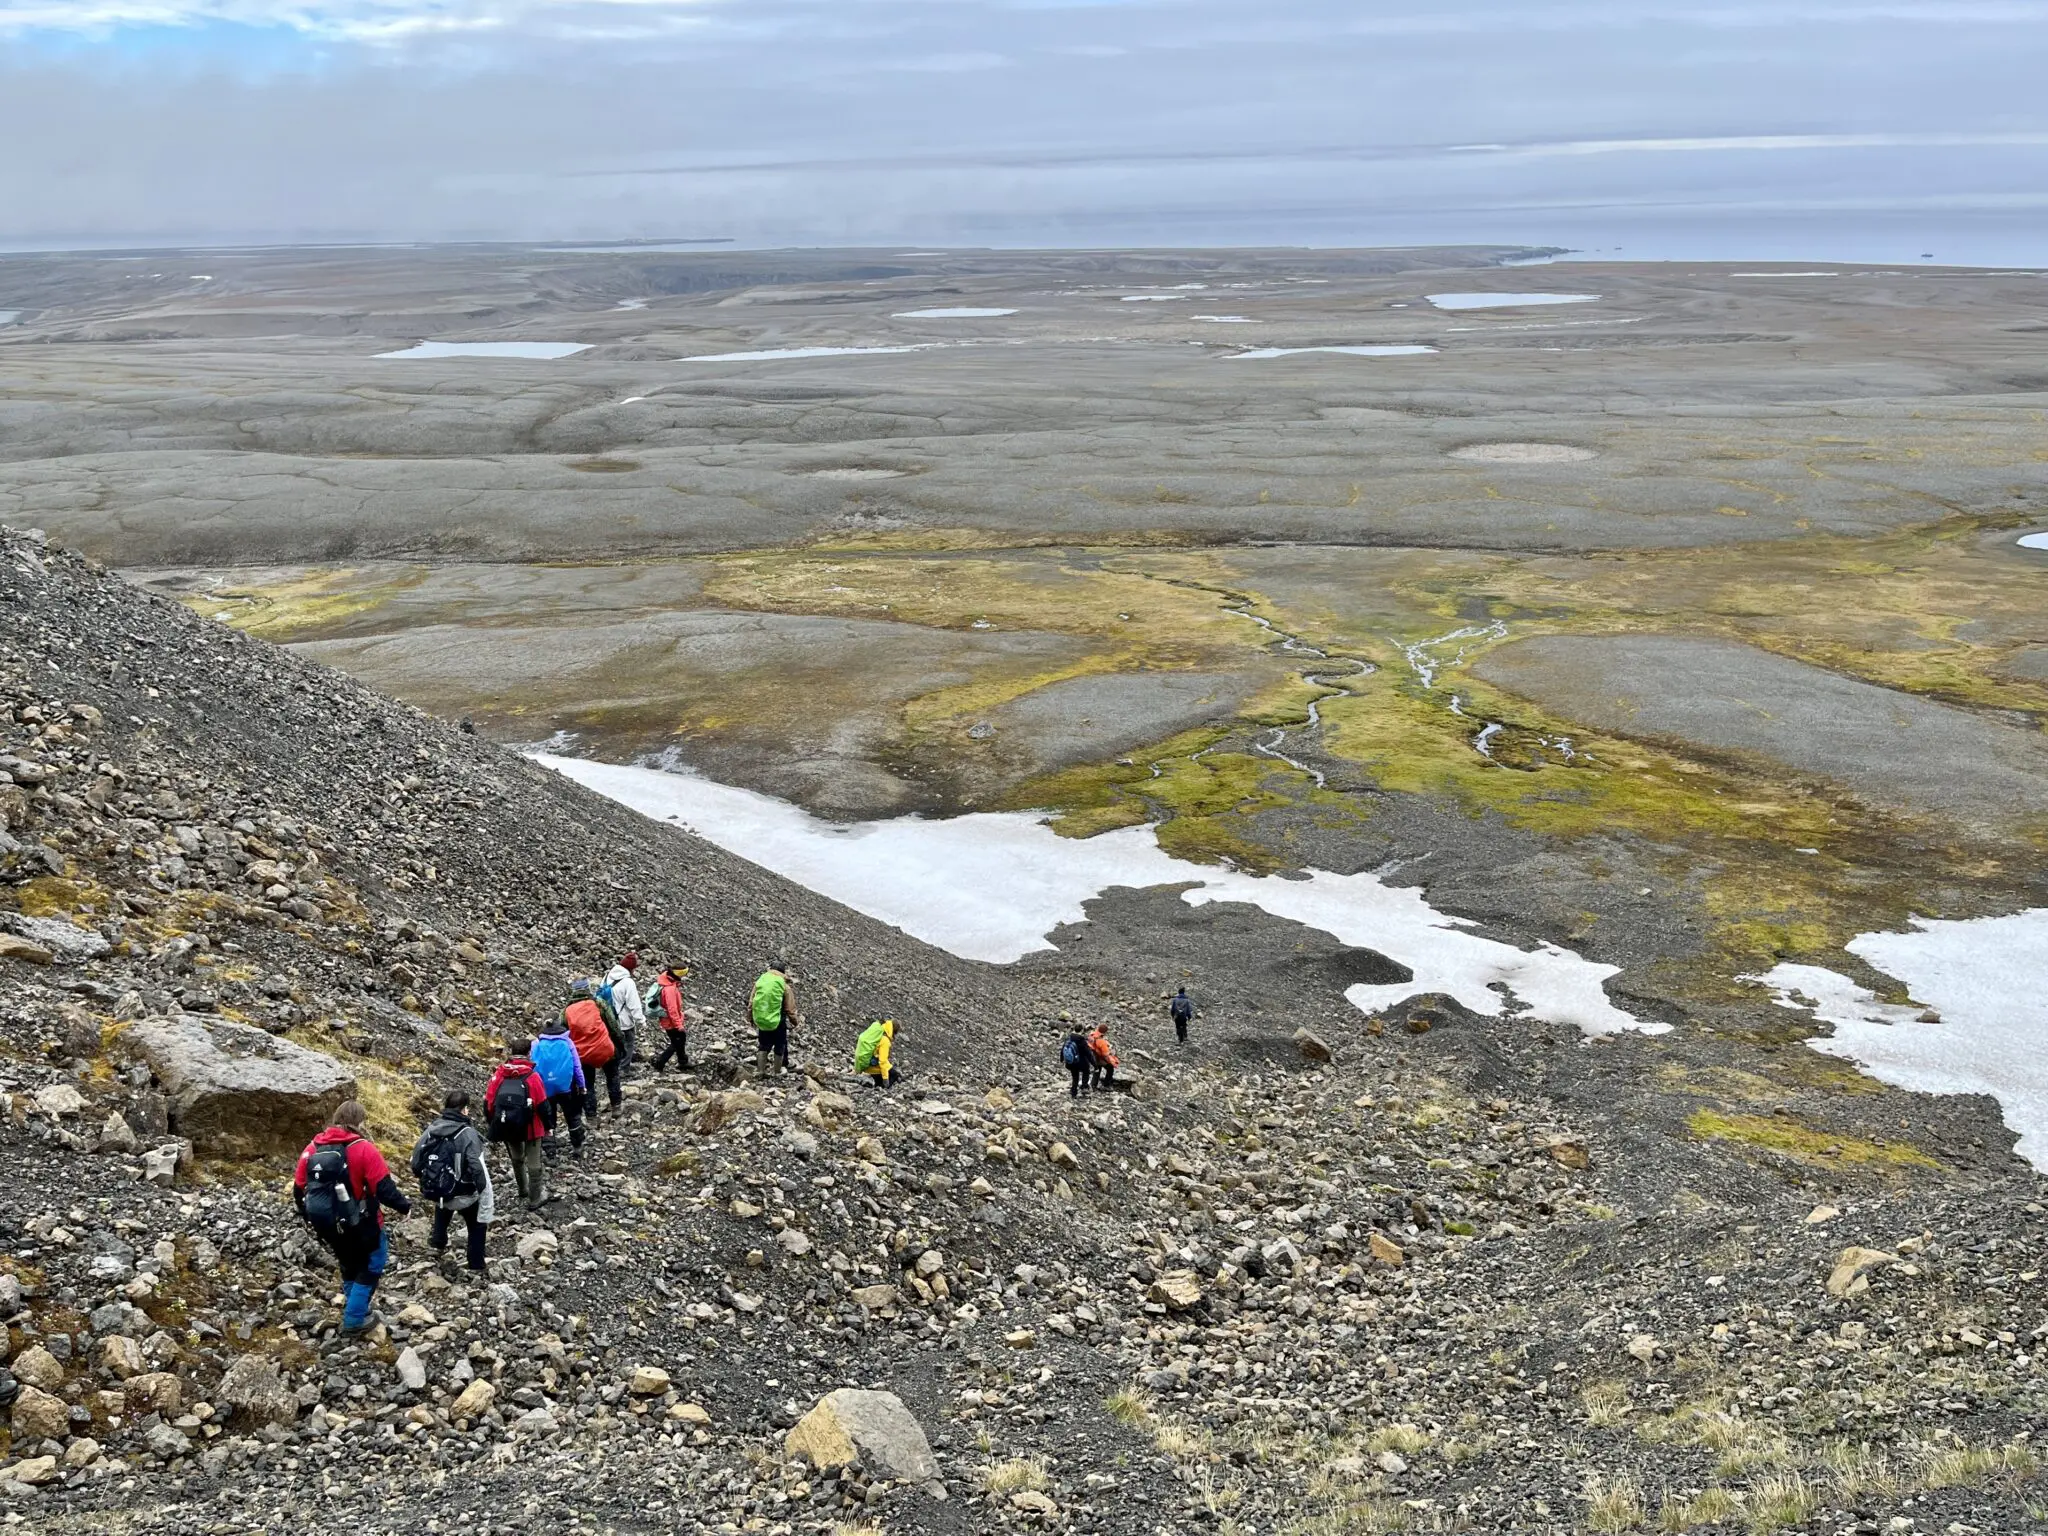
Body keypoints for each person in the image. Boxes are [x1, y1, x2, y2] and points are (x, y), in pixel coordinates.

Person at [293, 1100, 412, 1335]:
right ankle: (355, 1319)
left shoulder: (312, 1148)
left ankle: (356, 1307)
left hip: (326, 1221)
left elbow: (299, 1187)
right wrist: (405, 1207)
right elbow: (384, 1188)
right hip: (361, 1221)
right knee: (373, 1262)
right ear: (360, 1122)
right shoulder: (363, 1148)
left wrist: (307, 1215)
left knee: (348, 1262)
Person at [410, 1090, 493, 1273]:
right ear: (464, 1110)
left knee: (443, 1200)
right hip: (464, 1193)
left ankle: (437, 1243)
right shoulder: (468, 1133)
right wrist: (482, 1190)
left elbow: (415, 1161)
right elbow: (476, 1167)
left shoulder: (431, 1129)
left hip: (438, 1191)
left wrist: (426, 1178)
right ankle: (476, 1264)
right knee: (477, 1224)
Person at [485, 1041, 551, 1208]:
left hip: (508, 1123)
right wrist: (549, 1126)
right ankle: (535, 1197)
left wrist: (494, 1122)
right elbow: (543, 1105)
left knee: (516, 1157)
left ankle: (522, 1189)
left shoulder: (499, 1075)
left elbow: (489, 1102)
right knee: (534, 1162)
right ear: (529, 1053)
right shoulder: (533, 1077)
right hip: (531, 1126)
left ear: (511, 1052)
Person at [561, 979, 623, 1120]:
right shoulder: (599, 1004)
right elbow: (613, 1026)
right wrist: (620, 1044)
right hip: (604, 1048)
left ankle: (591, 1117)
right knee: (612, 1075)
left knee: (587, 1083)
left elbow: (564, 1033)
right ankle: (616, 1107)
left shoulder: (566, 1012)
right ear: (588, 989)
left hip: (583, 1054)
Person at [530, 1014, 588, 1153]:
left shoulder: (536, 1043)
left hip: (545, 1088)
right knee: (572, 1114)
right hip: (566, 1086)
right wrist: (581, 1085)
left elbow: (531, 1067)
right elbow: (576, 1067)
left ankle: (550, 1152)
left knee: (548, 1118)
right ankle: (577, 1145)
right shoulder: (567, 1041)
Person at [750, 961, 798, 1078]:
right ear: (783, 972)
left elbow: (751, 1002)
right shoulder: (784, 985)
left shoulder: (761, 982)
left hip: (762, 1019)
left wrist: (750, 1017)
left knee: (763, 1044)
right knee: (780, 1044)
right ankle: (777, 1072)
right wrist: (794, 1021)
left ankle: (760, 1071)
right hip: (778, 1021)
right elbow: (790, 1008)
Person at [604, 951, 648, 1072]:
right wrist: (641, 1020)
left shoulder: (608, 976)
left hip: (608, 1018)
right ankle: (624, 1069)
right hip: (623, 1021)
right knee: (628, 1044)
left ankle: (610, 1067)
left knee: (612, 1043)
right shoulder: (628, 982)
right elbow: (634, 1005)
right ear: (631, 968)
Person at [648, 962, 691, 1073]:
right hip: (670, 1021)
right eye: (683, 974)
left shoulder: (668, 982)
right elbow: (672, 1009)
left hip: (668, 1020)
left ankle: (683, 1061)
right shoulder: (669, 989)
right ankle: (660, 1062)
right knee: (677, 1042)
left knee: (679, 1040)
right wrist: (678, 1025)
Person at [854, 1017, 899, 1088]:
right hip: (873, 1067)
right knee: (895, 1075)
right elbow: (882, 1061)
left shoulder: (879, 1033)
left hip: (868, 1064)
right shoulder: (885, 1040)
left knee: (879, 1079)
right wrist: (885, 1078)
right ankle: (882, 1090)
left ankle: (877, 1087)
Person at [1060, 1023, 1092, 1099]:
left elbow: (1063, 1048)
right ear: (1081, 1030)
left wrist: (1061, 1059)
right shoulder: (1082, 1040)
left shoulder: (1069, 1038)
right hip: (1080, 1062)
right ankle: (1084, 1087)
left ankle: (1073, 1092)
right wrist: (1095, 1065)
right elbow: (1088, 1054)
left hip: (1071, 1062)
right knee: (1086, 1071)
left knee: (1075, 1077)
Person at [1087, 1023, 1119, 1092]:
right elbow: (1105, 1055)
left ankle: (1093, 1085)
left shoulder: (1091, 1035)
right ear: (1105, 1032)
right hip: (1099, 1058)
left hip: (1093, 1056)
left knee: (1097, 1070)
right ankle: (1106, 1085)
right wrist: (1112, 1062)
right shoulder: (1101, 1042)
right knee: (1110, 1069)